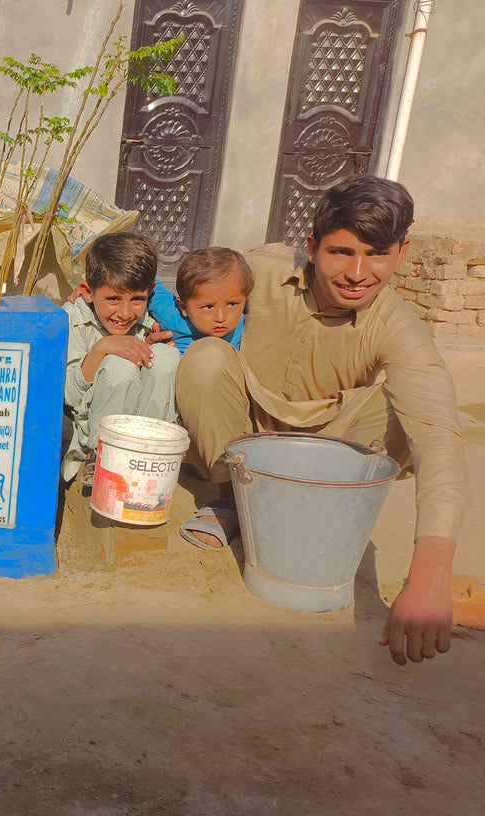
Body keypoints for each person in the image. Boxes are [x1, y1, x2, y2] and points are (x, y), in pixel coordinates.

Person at [175, 176, 469, 665]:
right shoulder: (257, 272)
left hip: (334, 450)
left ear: (402, 252)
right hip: (246, 437)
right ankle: (232, 501)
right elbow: (186, 294)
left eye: (377, 254)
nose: (358, 272)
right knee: (205, 356)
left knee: (417, 409)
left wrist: (431, 577)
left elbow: (439, 438)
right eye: (341, 252)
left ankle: (309, 509)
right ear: (311, 247)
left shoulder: (396, 324)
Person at [62, 232, 180, 482]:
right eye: (113, 299)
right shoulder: (72, 319)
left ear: (150, 293)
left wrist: (145, 347)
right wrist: (101, 349)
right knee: (118, 364)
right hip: (92, 433)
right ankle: (102, 456)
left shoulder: (154, 319)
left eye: (137, 299)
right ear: (88, 292)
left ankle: (152, 455)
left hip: (142, 433)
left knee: (165, 358)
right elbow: (70, 398)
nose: (126, 313)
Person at [147, 247, 253, 354]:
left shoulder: (248, 325)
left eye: (232, 304)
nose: (221, 318)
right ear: (183, 307)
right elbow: (147, 284)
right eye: (209, 307)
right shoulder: (170, 314)